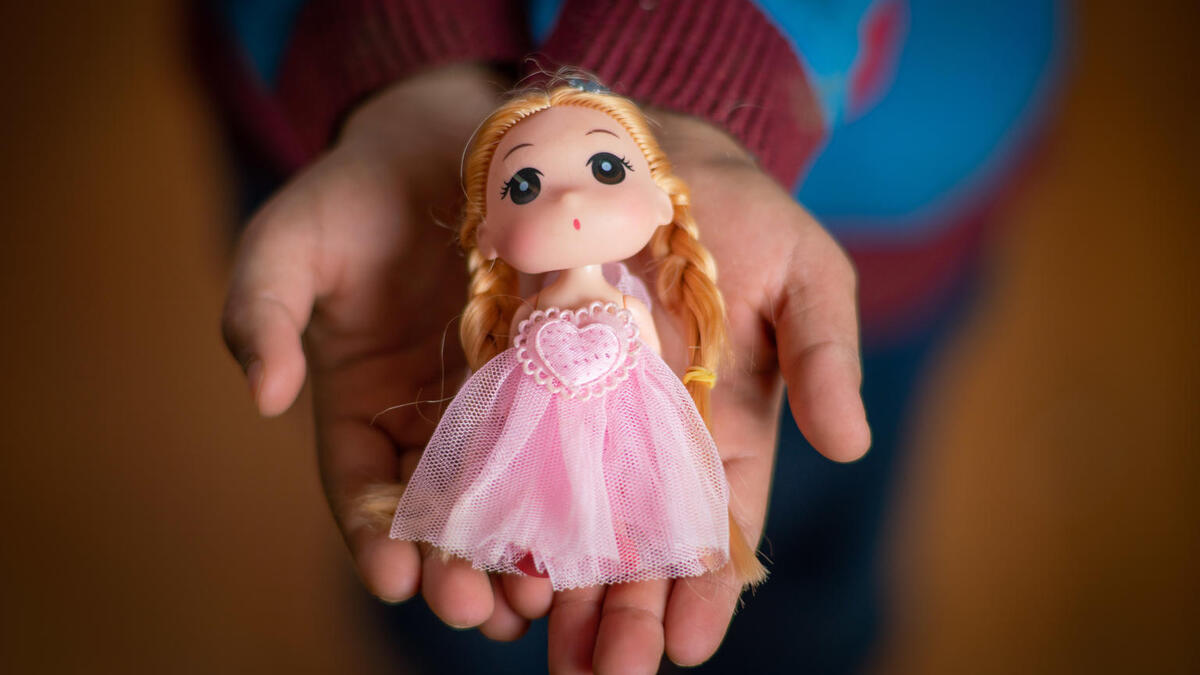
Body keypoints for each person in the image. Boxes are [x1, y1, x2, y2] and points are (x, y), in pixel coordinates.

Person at [198, 1, 1063, 671]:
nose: (570, 199)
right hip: (319, 74)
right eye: (526, 184)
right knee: (472, 594)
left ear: (659, 200)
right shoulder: (514, 306)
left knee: (800, 550)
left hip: (890, 148)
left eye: (607, 169)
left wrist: (710, 43)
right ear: (486, 233)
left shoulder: (637, 290)